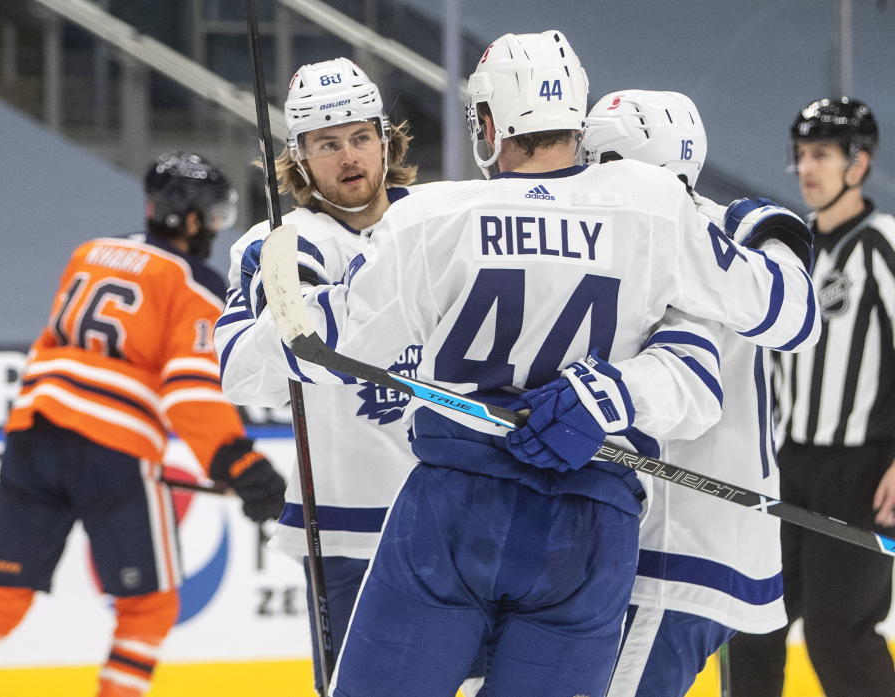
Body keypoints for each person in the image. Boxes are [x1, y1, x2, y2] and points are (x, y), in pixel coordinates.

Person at [244, 30, 819, 697]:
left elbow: (312, 351)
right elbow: (790, 315)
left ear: (488, 122)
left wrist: (279, 290)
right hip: (591, 521)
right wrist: (774, 236)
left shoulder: (433, 215)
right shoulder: (654, 207)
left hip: (453, 509)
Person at [0, 152, 285, 697]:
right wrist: (237, 462)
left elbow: (52, 347)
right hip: (113, 448)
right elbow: (189, 390)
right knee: (149, 606)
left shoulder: (90, 253)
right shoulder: (196, 282)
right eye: (213, 215)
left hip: (32, 433)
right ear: (191, 219)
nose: (215, 226)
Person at [580, 89, 815, 697]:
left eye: (594, 157)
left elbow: (794, 323)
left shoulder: (701, 237)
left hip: (676, 541)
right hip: (688, 538)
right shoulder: (687, 235)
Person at [214, 57, 433, 693]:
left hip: (461, 515)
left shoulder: (443, 221)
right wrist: (301, 309)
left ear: (387, 141)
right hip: (348, 534)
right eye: (327, 144)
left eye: (362, 137)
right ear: (300, 158)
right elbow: (238, 374)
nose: (349, 157)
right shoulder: (278, 243)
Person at [729, 98, 895, 697]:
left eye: (821, 154)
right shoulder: (792, 248)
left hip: (861, 472)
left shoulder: (882, 246)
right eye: (801, 155)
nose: (806, 168)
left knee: (837, 632)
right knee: (751, 620)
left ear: (859, 164)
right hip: (786, 464)